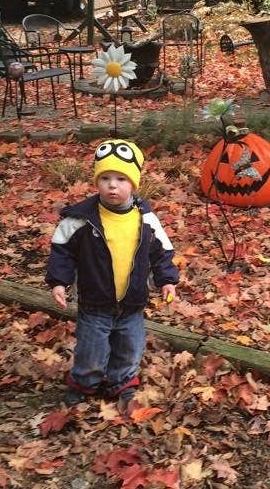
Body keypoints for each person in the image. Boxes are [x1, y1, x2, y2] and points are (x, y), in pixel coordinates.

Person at [47, 139, 178, 409]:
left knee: (130, 346)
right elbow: (62, 251)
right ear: (97, 181)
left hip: (132, 302)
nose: (112, 185)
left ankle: (122, 381)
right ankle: (85, 381)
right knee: (91, 348)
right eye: (105, 178)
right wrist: (59, 282)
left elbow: (161, 251)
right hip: (95, 301)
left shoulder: (145, 219)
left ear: (133, 183)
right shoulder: (81, 220)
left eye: (121, 178)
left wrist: (167, 280)